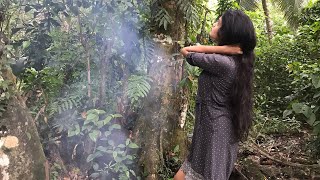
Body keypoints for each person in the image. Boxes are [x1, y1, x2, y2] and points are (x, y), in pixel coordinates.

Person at [175, 9, 257, 180]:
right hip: (209, 126)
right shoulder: (234, 61)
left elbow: (187, 51)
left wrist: (227, 50)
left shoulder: (223, 62)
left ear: (229, 32)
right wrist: (228, 49)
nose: (214, 24)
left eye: (218, 23)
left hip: (216, 131)